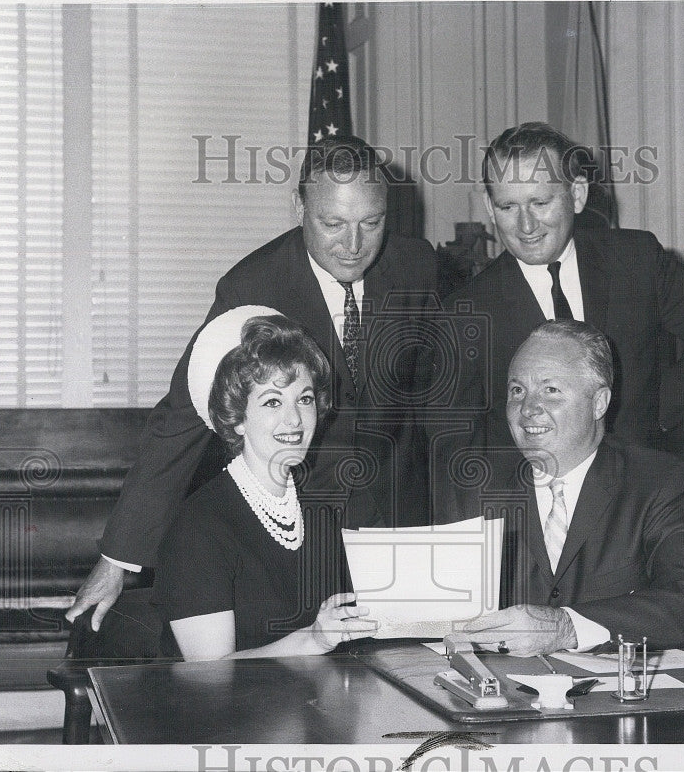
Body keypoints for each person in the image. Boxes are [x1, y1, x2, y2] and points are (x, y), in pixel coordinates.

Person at [67, 135, 438, 630]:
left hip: (399, 521)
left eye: (370, 223)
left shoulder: (417, 266)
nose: (353, 246)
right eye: (333, 224)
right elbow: (182, 417)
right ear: (298, 206)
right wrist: (117, 560)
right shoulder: (253, 286)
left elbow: (438, 399)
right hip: (301, 528)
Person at [431, 122, 684, 519]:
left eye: (540, 203)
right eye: (508, 207)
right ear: (489, 206)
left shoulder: (635, 259)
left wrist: (657, 412)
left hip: (640, 503)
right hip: (537, 519)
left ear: (576, 194)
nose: (525, 226)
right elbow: (454, 443)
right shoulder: (466, 310)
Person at [447, 320, 684, 654]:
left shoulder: (656, 483)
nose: (528, 409)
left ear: (599, 403)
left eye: (550, 391)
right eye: (517, 391)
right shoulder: (478, 488)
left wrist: (568, 627)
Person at [153, 308, 377, 659]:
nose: (294, 419)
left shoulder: (318, 514)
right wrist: (313, 640)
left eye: (304, 399)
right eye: (273, 401)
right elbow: (210, 676)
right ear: (236, 417)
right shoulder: (198, 527)